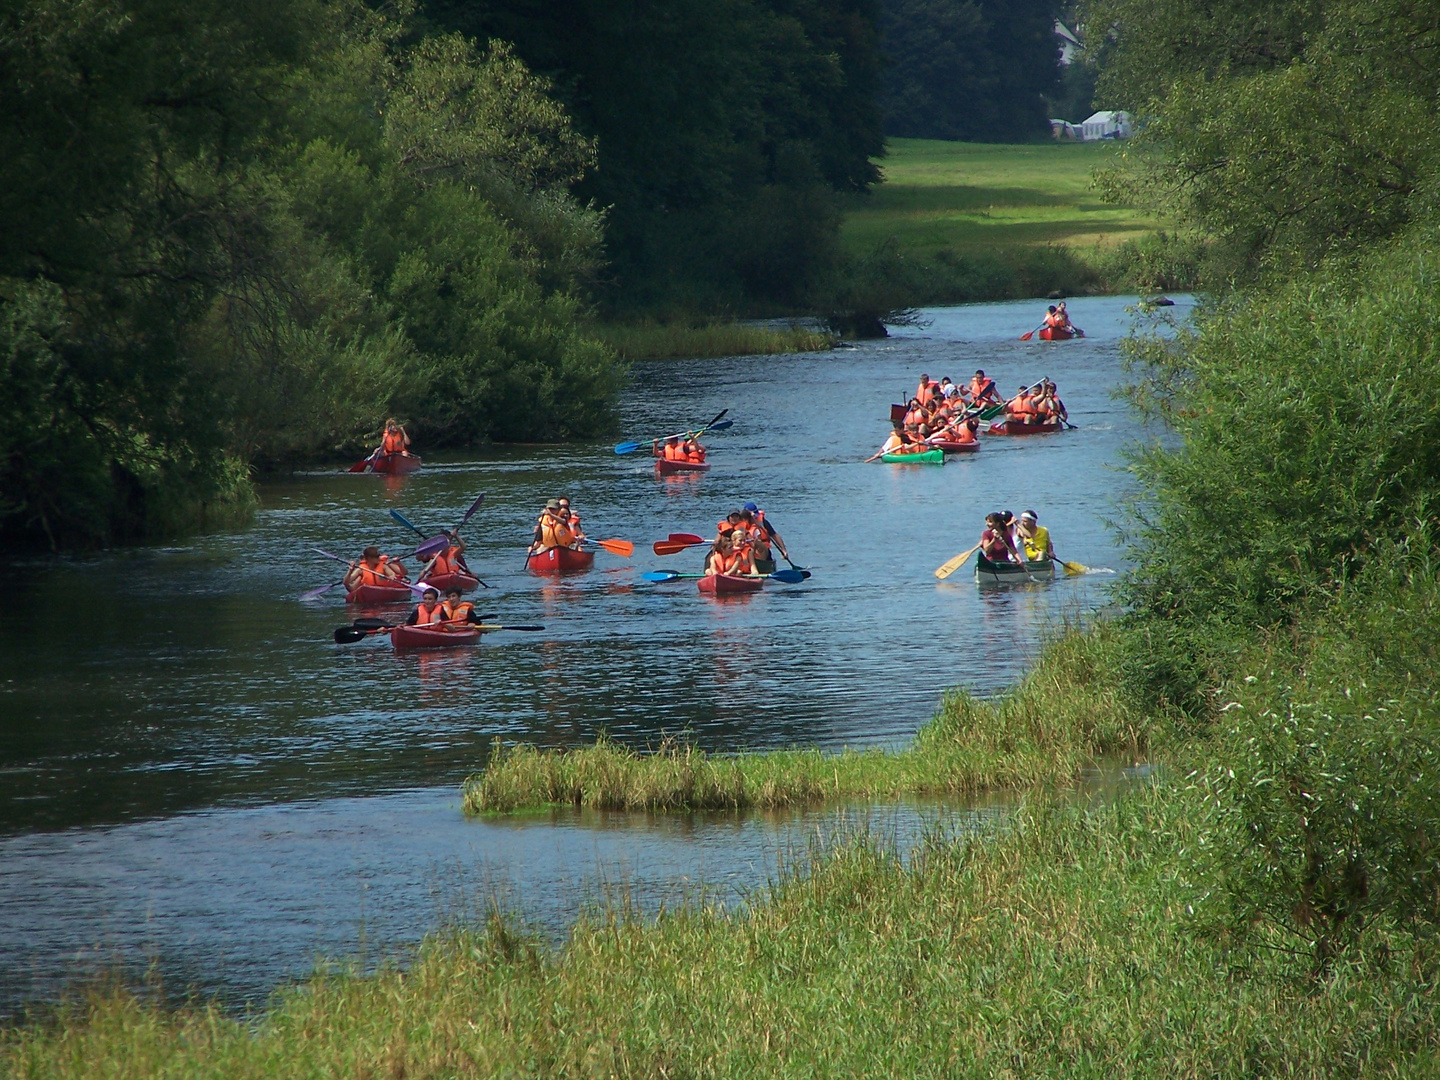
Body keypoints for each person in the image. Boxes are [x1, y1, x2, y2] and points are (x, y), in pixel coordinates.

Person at [740, 501, 790, 573]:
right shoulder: (739, 521)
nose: (754, 517)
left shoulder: (762, 521)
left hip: (762, 551)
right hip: (745, 549)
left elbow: (774, 535)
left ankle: (756, 567)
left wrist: (783, 550)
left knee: (758, 544)